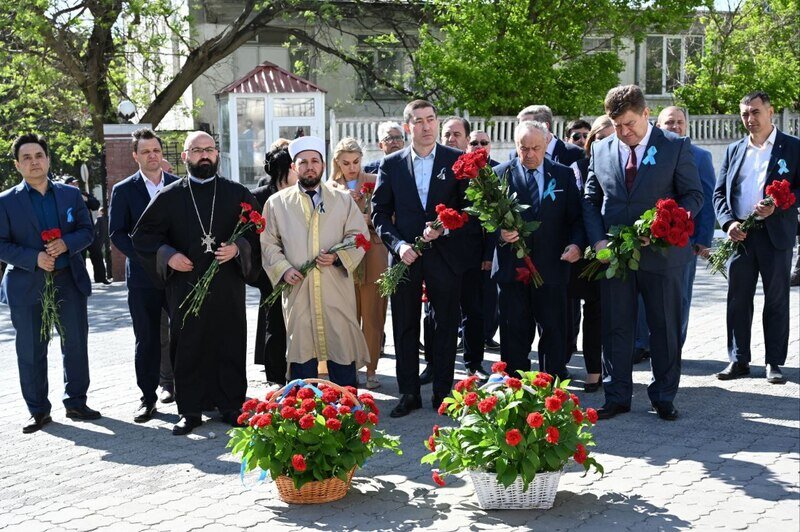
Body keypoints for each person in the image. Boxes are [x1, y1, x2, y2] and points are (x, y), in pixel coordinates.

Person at [583, 85, 703, 421]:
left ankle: (663, 396)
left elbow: (693, 195)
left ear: (646, 114)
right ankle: (617, 395)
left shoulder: (675, 146)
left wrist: (666, 224)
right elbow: (591, 200)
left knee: (663, 326)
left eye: (630, 124)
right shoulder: (602, 149)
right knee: (615, 326)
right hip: (616, 255)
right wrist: (597, 242)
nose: (623, 132)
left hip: (662, 256)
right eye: (617, 125)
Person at [132, 131, 261, 435]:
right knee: (188, 345)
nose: (204, 155)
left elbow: (256, 231)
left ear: (217, 154)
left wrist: (238, 248)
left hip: (227, 285)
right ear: (185, 156)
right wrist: (168, 255)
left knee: (229, 341)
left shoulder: (237, 193)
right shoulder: (170, 195)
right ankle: (190, 410)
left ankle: (231, 405)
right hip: (186, 284)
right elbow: (144, 238)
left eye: (210, 150)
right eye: (197, 151)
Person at [372, 99, 469, 417]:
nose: (426, 126)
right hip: (406, 258)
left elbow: (470, 209)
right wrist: (398, 246)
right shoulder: (392, 163)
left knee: (445, 325)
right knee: (404, 324)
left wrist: (446, 228)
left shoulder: (457, 160)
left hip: (445, 256)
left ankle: (444, 394)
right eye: (419, 121)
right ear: (407, 126)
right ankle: (408, 392)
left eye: (431, 119)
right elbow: (380, 213)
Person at [0, 133, 101, 433]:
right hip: (26, 285)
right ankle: (38, 410)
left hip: (68, 281)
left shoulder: (70, 195)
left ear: (47, 159)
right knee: (31, 349)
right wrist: (33, 258)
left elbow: (87, 231)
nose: (34, 162)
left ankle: (76, 402)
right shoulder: (5, 202)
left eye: (39, 155)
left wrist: (66, 244)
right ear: (18, 165)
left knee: (75, 345)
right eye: (27, 158)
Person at [261, 136, 370, 387]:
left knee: (340, 348)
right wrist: (284, 269)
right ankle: (304, 416)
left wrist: (338, 256)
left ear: (322, 165)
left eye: (314, 161)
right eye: (303, 162)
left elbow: (359, 235)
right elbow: (268, 243)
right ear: (293, 167)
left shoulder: (342, 200)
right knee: (302, 354)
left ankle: (348, 414)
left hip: (336, 288)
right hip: (298, 289)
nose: (310, 166)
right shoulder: (277, 203)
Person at [714, 91, 800, 385]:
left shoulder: (792, 147)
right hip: (741, 235)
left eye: (755, 112)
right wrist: (727, 223)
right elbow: (719, 192)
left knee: (776, 299)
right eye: (744, 114)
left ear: (770, 111)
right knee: (738, 299)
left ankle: (774, 362)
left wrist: (780, 203)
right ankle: (738, 360)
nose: (750, 119)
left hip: (776, 235)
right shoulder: (734, 150)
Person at [490, 121, 584, 380]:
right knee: (514, 334)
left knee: (554, 332)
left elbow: (576, 218)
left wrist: (576, 244)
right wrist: (499, 232)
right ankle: (515, 390)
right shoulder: (498, 176)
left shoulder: (563, 174)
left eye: (536, 148)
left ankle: (551, 388)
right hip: (512, 269)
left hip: (552, 267)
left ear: (547, 144)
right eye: (524, 148)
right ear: (515, 146)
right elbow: (482, 221)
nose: (530, 154)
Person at [109, 128, 179, 422]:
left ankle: (184, 390)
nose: (152, 156)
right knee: (147, 338)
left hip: (177, 274)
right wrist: (149, 259)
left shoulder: (179, 185)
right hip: (142, 276)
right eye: (146, 151)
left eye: (156, 151)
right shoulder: (124, 190)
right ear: (135, 156)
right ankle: (147, 398)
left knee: (184, 334)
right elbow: (117, 233)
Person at [328, 137, 388, 389]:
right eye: (346, 163)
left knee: (373, 315)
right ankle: (348, 367)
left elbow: (389, 217)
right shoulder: (329, 187)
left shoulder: (375, 182)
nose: (352, 167)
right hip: (343, 255)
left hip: (374, 251)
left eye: (356, 161)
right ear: (337, 163)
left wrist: (367, 218)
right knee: (346, 315)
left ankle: (372, 369)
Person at [656, 107, 717, 347]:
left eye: (680, 122)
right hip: (651, 237)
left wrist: (703, 239)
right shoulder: (649, 154)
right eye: (669, 122)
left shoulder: (700, 156)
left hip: (684, 240)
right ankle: (643, 344)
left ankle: (674, 345)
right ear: (658, 126)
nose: (676, 126)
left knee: (679, 296)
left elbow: (707, 199)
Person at [439, 116, 489, 380]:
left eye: (457, 135)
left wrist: (487, 254)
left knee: (473, 311)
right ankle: (435, 365)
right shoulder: (435, 165)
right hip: (439, 253)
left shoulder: (480, 172)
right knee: (437, 314)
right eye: (447, 134)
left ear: (467, 140)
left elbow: (489, 217)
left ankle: (473, 363)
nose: (451, 139)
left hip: (470, 253)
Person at [568, 116, 614, 392]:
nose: (605, 143)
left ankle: (616, 368)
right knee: (594, 311)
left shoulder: (624, 165)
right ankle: (594, 370)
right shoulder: (579, 168)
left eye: (611, 138)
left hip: (620, 246)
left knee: (619, 312)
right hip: (588, 251)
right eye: (599, 138)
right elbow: (579, 209)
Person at [250, 147, 296, 384]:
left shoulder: (301, 194)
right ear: (286, 169)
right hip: (269, 272)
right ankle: (276, 379)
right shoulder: (258, 197)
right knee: (275, 323)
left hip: (298, 269)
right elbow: (249, 237)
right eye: (295, 165)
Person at [468, 130, 501, 351]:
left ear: (490, 146)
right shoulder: (460, 171)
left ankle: (488, 334)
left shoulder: (498, 171)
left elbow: (498, 217)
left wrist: (490, 254)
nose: (479, 145)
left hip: (491, 245)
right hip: (466, 246)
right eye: (473, 142)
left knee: (490, 296)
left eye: (483, 142)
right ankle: (468, 337)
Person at [64, 176, 108, 284]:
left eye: (76, 184)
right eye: (73, 184)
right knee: (80, 258)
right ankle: (82, 281)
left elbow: (96, 205)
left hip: (89, 230)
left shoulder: (83, 194)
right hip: (75, 232)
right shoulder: (64, 195)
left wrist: (87, 199)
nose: (76, 185)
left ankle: (101, 278)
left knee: (97, 254)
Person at [508, 105, 584, 165]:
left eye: (527, 126)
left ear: (545, 126)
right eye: (520, 126)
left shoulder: (575, 153)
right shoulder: (515, 154)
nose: (522, 131)